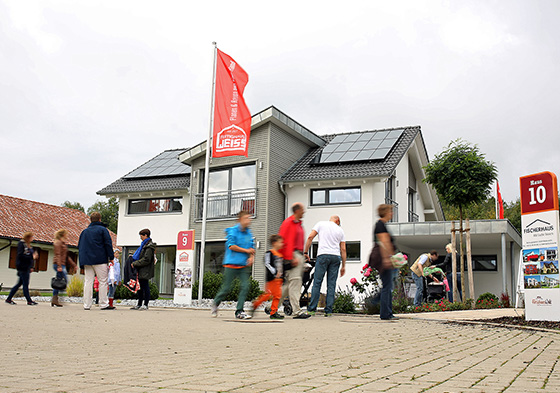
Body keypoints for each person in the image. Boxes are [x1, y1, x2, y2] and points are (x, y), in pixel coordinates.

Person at [211, 211, 255, 319]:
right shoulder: (233, 231)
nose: (248, 220)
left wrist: (251, 257)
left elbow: (252, 249)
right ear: (239, 220)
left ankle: (239, 311)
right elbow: (231, 246)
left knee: (245, 286)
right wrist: (246, 251)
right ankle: (216, 302)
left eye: (249, 218)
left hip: (243, 266)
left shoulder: (249, 233)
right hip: (231, 264)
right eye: (246, 218)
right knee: (226, 288)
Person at [305, 215, 346, 317]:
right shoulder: (340, 230)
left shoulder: (320, 224)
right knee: (331, 285)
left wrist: (305, 252)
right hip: (336, 257)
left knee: (317, 283)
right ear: (337, 221)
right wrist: (343, 266)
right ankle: (328, 311)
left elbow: (310, 237)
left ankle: (312, 309)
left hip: (323, 255)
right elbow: (343, 249)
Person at [278, 203, 310, 319]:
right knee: (296, 282)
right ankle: (297, 311)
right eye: (303, 210)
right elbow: (283, 241)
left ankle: (271, 306)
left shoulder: (298, 224)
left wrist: (303, 255)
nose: (304, 212)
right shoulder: (288, 223)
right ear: (297, 211)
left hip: (298, 255)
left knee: (289, 285)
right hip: (292, 255)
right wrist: (291, 256)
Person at [78, 212, 115, 310]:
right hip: (100, 259)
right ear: (100, 219)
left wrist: (81, 261)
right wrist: (111, 257)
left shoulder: (84, 232)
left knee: (88, 281)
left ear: (90, 220)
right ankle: (103, 303)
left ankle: (86, 304)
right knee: (102, 281)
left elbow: (80, 247)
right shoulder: (103, 230)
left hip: (87, 260)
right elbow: (108, 244)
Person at [250, 234, 285, 319]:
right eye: (280, 242)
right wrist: (274, 272)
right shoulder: (269, 253)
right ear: (274, 243)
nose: (282, 244)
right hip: (271, 279)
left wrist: (282, 275)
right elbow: (267, 264)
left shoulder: (280, 255)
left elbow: (282, 266)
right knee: (268, 295)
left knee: (277, 296)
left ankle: (273, 312)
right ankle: (256, 304)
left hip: (278, 279)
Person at [373, 204, 398, 320]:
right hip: (383, 258)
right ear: (385, 212)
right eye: (390, 211)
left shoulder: (381, 225)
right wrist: (387, 259)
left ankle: (386, 311)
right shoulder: (380, 225)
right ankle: (385, 314)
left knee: (388, 285)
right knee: (387, 286)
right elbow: (384, 243)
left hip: (384, 258)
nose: (392, 214)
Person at [5, 232, 38, 305]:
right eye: (31, 237)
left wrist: (32, 266)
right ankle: (29, 300)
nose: (33, 239)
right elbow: (20, 256)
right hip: (22, 267)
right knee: (25, 284)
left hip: (27, 267)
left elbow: (30, 258)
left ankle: (9, 299)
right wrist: (32, 257)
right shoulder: (22, 244)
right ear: (28, 237)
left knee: (19, 284)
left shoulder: (29, 246)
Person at [130, 229, 156, 310]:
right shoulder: (144, 245)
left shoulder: (149, 247)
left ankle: (145, 304)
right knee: (140, 287)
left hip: (145, 269)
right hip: (140, 269)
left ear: (146, 235)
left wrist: (135, 263)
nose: (140, 237)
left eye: (141, 235)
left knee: (145, 287)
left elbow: (146, 259)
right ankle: (139, 304)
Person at [51, 229, 76, 307]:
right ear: (63, 234)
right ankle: (57, 298)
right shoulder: (58, 243)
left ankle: (55, 299)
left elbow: (67, 257)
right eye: (66, 234)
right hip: (59, 264)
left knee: (60, 282)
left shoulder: (63, 243)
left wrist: (73, 265)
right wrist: (59, 266)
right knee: (63, 281)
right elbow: (58, 254)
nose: (67, 235)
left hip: (62, 264)